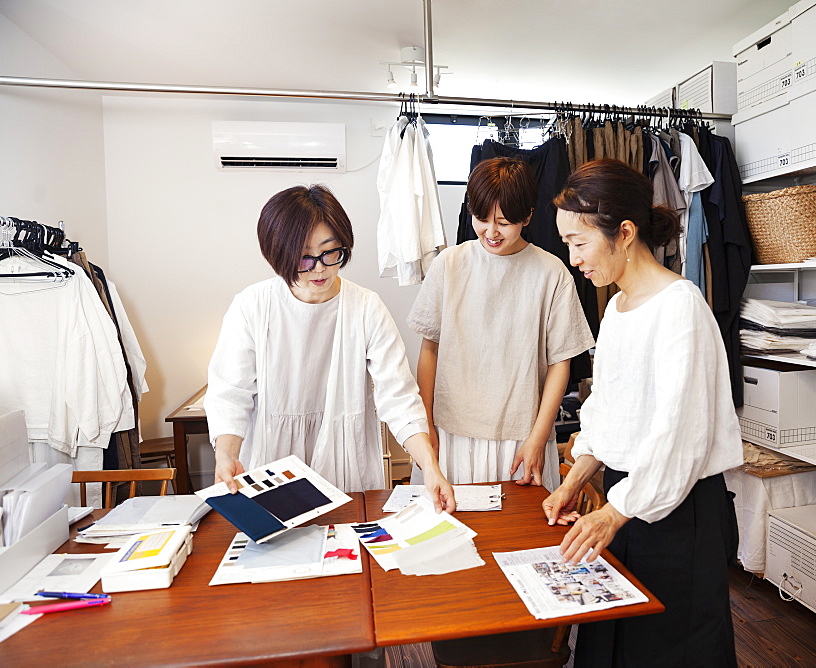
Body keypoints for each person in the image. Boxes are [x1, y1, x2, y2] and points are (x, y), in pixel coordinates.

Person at [543, 159, 742, 667]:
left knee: (671, 647)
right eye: (568, 244)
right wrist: (575, 478)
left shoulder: (681, 306)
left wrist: (615, 511)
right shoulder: (616, 309)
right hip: (629, 503)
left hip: (680, 512)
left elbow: (680, 436)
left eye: (579, 243)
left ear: (625, 233)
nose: (574, 259)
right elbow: (607, 411)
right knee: (614, 645)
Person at [205, 184, 455, 512]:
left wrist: (430, 466)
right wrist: (226, 456)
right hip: (272, 461)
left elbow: (398, 397)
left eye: (330, 252)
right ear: (277, 254)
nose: (320, 268)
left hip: (345, 460)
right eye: (304, 257)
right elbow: (230, 395)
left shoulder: (366, 307)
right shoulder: (252, 306)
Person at [408, 157, 594, 491]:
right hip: (451, 431)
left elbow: (560, 364)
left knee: (519, 536)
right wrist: (426, 426)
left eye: (504, 222)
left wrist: (538, 438)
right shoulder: (449, 264)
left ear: (527, 217)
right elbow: (429, 350)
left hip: (521, 435)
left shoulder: (551, 273)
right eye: (481, 219)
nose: (491, 232)